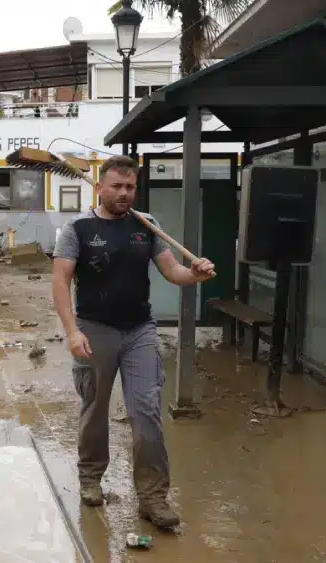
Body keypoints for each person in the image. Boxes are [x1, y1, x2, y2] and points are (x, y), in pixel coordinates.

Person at [51, 155, 215, 530]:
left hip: (140, 330)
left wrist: (195, 273)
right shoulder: (77, 229)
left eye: (130, 187)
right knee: (95, 409)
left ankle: (153, 497)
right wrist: (72, 331)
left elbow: (172, 271)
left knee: (147, 413)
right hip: (95, 330)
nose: (124, 193)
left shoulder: (147, 226)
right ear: (101, 187)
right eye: (117, 186)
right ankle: (91, 477)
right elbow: (60, 281)